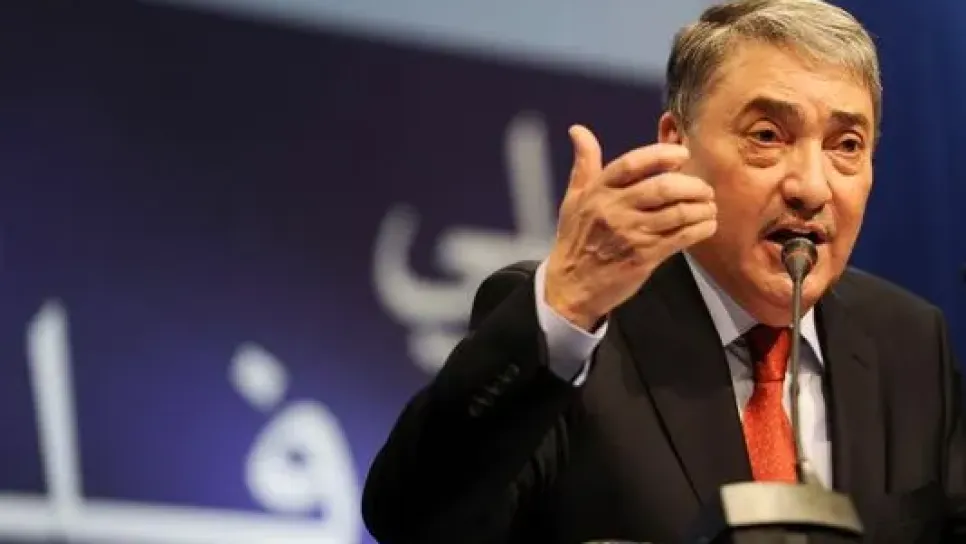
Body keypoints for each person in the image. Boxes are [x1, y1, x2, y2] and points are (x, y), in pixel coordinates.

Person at [361, 0, 966, 542]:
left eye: (847, 145)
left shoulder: (908, 340)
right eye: (767, 135)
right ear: (678, 144)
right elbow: (415, 519)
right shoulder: (575, 330)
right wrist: (566, 305)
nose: (811, 187)